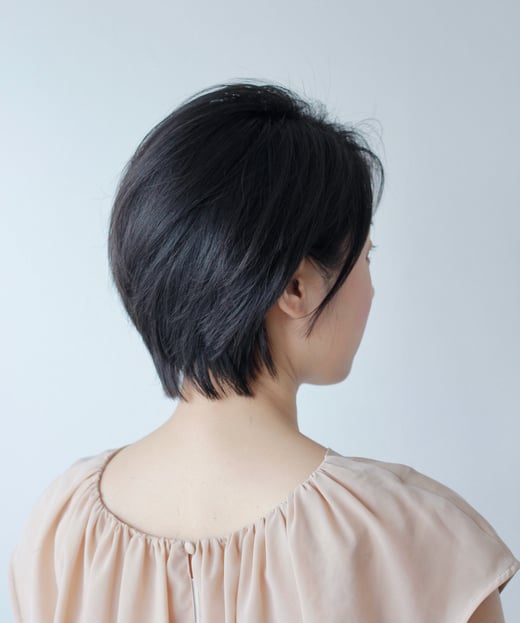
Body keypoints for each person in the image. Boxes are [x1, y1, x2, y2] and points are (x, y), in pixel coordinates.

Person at [8, 80, 519, 623]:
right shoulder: (413, 540)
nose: (371, 287)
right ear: (296, 287)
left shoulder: (63, 528)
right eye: (366, 257)